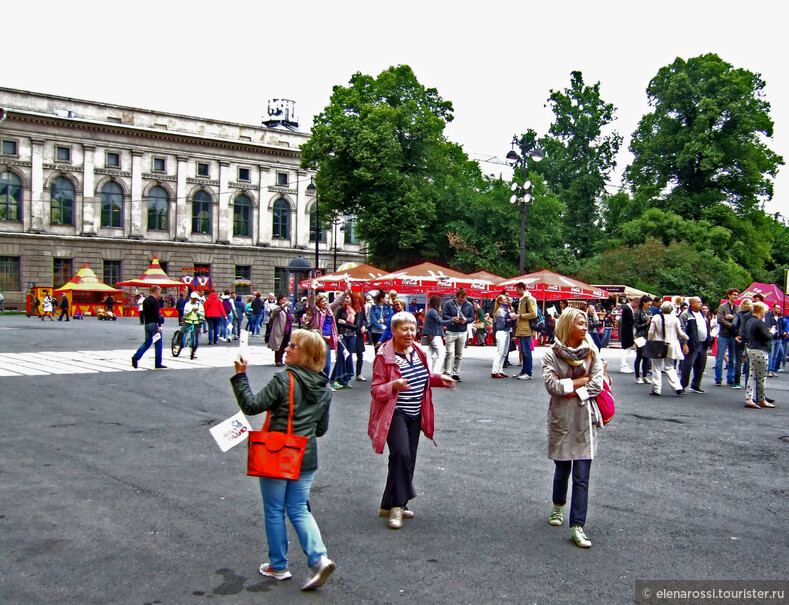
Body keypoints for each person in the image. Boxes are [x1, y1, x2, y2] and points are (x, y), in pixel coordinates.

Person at [230, 329, 336, 591]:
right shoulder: (324, 387)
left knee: (275, 510)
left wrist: (241, 376)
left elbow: (252, 405)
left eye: (293, 346)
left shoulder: (283, 379)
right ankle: (319, 558)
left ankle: (278, 566)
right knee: (299, 508)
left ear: (306, 354)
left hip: (278, 452)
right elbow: (320, 429)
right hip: (306, 455)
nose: (287, 349)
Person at [368, 311, 455, 529]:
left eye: (413, 328)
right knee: (400, 454)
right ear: (394, 330)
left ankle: (387, 504)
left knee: (408, 459)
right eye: (404, 329)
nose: (409, 333)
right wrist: (393, 386)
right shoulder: (384, 357)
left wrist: (439, 379)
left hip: (416, 412)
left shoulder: (417, 351)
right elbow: (376, 391)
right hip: (395, 413)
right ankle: (397, 508)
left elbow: (423, 378)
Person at [541, 307, 605, 549]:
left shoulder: (592, 351)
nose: (585, 327)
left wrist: (573, 390)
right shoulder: (551, 354)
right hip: (562, 418)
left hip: (586, 417)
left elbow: (597, 383)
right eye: (580, 323)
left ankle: (577, 525)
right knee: (562, 467)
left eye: (586, 322)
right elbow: (552, 387)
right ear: (568, 325)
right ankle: (558, 505)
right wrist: (581, 381)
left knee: (582, 475)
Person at [647, 301, 689, 396]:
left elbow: (651, 332)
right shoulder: (675, 319)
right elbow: (680, 333)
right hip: (672, 344)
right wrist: (687, 337)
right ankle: (677, 387)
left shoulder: (656, 317)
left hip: (658, 344)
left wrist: (649, 341)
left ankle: (656, 389)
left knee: (656, 367)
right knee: (670, 367)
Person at [308, 287, 349, 380]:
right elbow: (311, 303)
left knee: (327, 364)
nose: (325, 303)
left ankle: (324, 382)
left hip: (328, 340)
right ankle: (315, 381)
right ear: (318, 303)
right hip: (318, 339)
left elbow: (338, 301)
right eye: (323, 301)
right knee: (316, 362)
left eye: (326, 301)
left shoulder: (329, 310)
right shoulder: (316, 311)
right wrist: (313, 292)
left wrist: (345, 292)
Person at [743, 302, 776, 409]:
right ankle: (761, 399)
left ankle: (749, 398)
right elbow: (766, 337)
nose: (765, 313)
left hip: (751, 348)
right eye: (765, 311)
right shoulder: (759, 323)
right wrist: (771, 332)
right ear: (761, 310)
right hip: (760, 350)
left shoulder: (750, 321)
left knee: (752, 375)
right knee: (761, 377)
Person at [679, 297, 713, 394]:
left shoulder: (702, 314)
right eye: (698, 302)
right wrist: (684, 343)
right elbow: (682, 329)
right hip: (692, 343)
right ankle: (682, 385)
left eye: (701, 302)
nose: (701, 304)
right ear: (692, 304)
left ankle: (696, 385)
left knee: (701, 365)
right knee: (687, 365)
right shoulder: (686, 314)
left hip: (703, 343)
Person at [442, 288, 474, 382]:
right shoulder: (449, 303)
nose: (461, 302)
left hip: (462, 331)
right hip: (451, 330)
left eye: (463, 300)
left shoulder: (469, 305)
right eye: (460, 300)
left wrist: (466, 320)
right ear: (456, 297)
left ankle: (456, 373)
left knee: (459, 354)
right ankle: (446, 372)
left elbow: (472, 317)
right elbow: (444, 315)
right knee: (449, 352)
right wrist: (453, 319)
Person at [131, 285, 166, 369]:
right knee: (158, 344)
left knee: (147, 342)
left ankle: (136, 357)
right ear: (156, 291)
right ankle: (158, 363)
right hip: (154, 324)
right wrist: (159, 326)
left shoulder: (145, 300)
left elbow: (144, 313)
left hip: (147, 324)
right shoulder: (155, 301)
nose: (159, 294)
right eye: (159, 292)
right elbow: (156, 314)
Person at [335, 293, 365, 388]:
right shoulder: (341, 310)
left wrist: (345, 323)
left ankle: (346, 379)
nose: (346, 300)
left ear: (352, 299)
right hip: (342, 335)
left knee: (349, 357)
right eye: (345, 298)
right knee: (341, 355)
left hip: (352, 335)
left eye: (348, 298)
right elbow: (336, 323)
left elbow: (356, 326)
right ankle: (336, 378)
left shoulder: (357, 311)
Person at [714, 288, 740, 386]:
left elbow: (739, 320)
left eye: (737, 295)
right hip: (723, 335)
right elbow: (720, 319)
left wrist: (731, 317)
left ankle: (730, 378)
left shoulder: (738, 308)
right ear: (729, 295)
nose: (736, 297)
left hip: (733, 336)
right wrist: (732, 324)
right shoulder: (722, 306)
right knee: (719, 358)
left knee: (732, 359)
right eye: (734, 295)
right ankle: (718, 378)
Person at [513, 283, 538, 379]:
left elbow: (533, 314)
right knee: (523, 351)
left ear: (521, 289)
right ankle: (524, 371)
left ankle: (528, 373)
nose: (516, 291)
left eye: (517, 289)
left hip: (526, 329)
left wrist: (520, 316)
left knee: (526, 351)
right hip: (522, 328)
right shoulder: (523, 299)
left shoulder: (529, 299)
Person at [422, 295, 452, 373]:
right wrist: (452, 320)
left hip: (430, 335)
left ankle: (429, 371)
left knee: (430, 354)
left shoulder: (430, 311)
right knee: (441, 354)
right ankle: (436, 372)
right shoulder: (433, 311)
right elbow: (441, 322)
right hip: (435, 334)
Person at [268, 294, 295, 367]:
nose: (284, 301)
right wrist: (283, 306)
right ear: (279, 300)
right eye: (283, 300)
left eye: (285, 300)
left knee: (284, 345)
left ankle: (281, 359)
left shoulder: (287, 309)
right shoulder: (277, 307)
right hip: (279, 329)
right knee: (278, 346)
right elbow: (275, 311)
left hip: (286, 330)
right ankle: (278, 360)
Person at [633, 296, 651, 384]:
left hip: (648, 336)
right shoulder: (638, 313)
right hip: (640, 336)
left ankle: (644, 376)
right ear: (643, 303)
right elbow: (637, 326)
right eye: (648, 304)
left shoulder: (649, 312)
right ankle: (637, 376)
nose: (649, 306)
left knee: (646, 357)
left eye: (650, 305)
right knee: (639, 356)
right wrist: (646, 323)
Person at [619, 297, 637, 373]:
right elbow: (631, 320)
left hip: (627, 331)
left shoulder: (628, 309)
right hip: (626, 331)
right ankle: (623, 365)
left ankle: (625, 365)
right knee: (626, 349)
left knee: (628, 349)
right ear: (634, 302)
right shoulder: (627, 309)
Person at [766, 303, 785, 377]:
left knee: (776, 355)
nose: (778, 309)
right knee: (771, 354)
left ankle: (772, 369)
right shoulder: (769, 316)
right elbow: (768, 325)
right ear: (773, 308)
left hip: (779, 338)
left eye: (779, 308)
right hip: (772, 338)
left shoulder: (780, 318)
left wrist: (783, 332)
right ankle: (768, 370)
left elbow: (782, 327)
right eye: (777, 308)